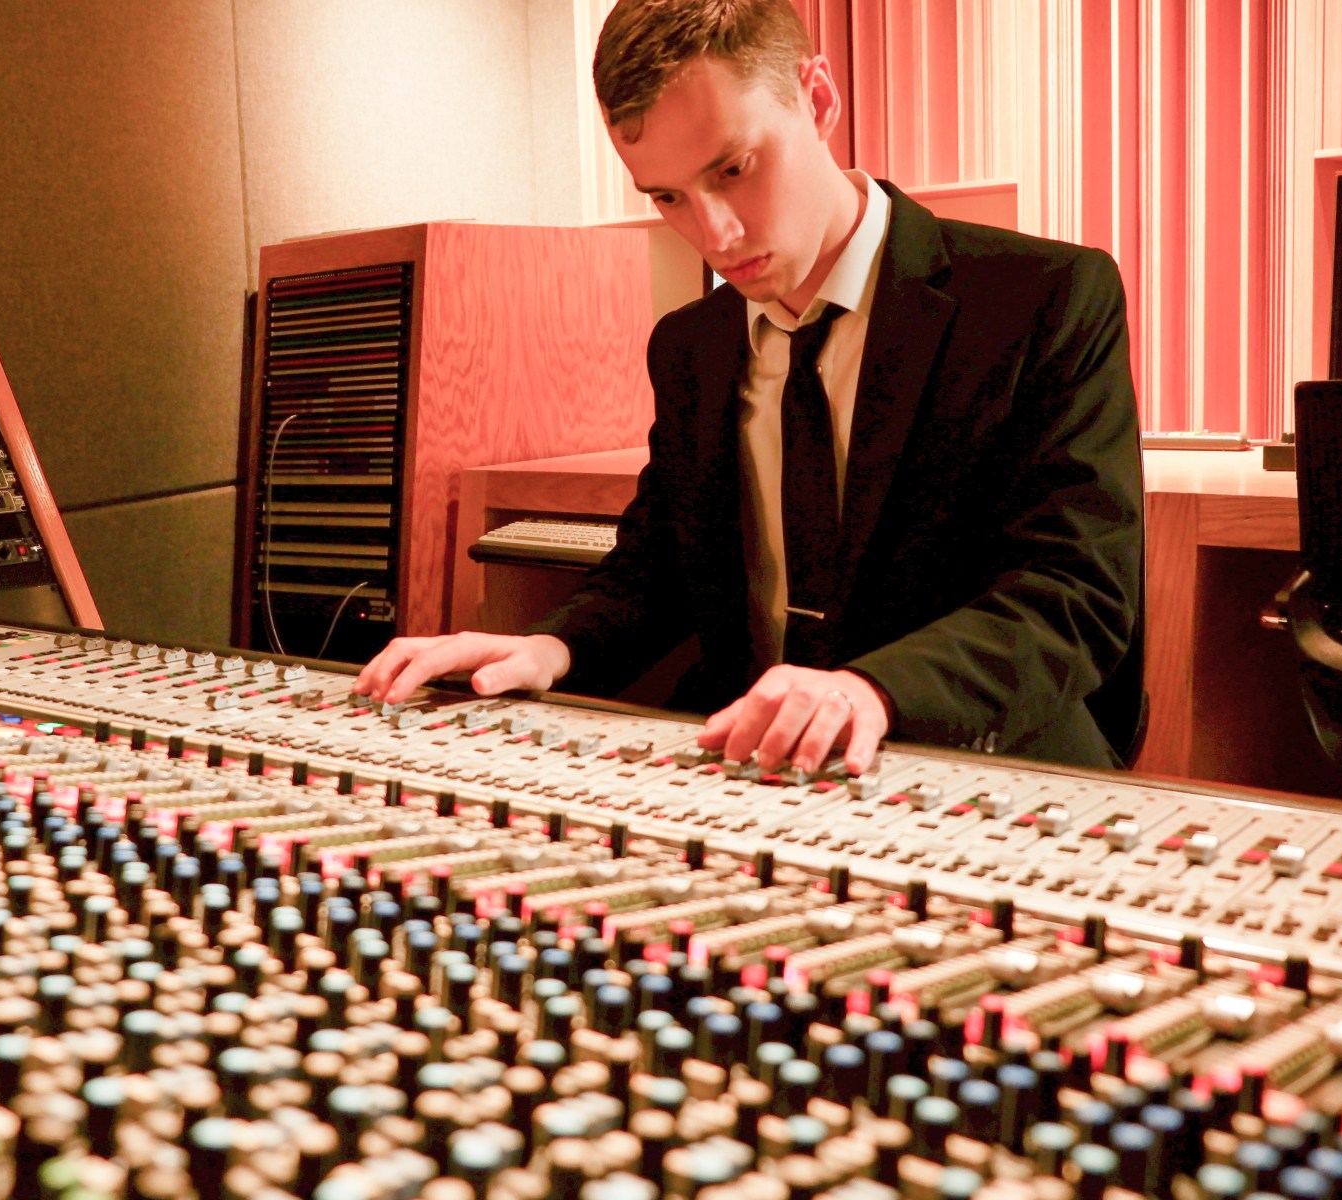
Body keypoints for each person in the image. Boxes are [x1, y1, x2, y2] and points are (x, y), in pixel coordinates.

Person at [356, 0, 1143, 776]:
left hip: (982, 764)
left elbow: (1075, 595)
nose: (715, 235)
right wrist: (548, 646)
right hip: (755, 765)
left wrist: (871, 691)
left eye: (733, 169)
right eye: (668, 197)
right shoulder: (690, 347)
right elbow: (657, 571)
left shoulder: (1046, 297)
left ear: (819, 99)